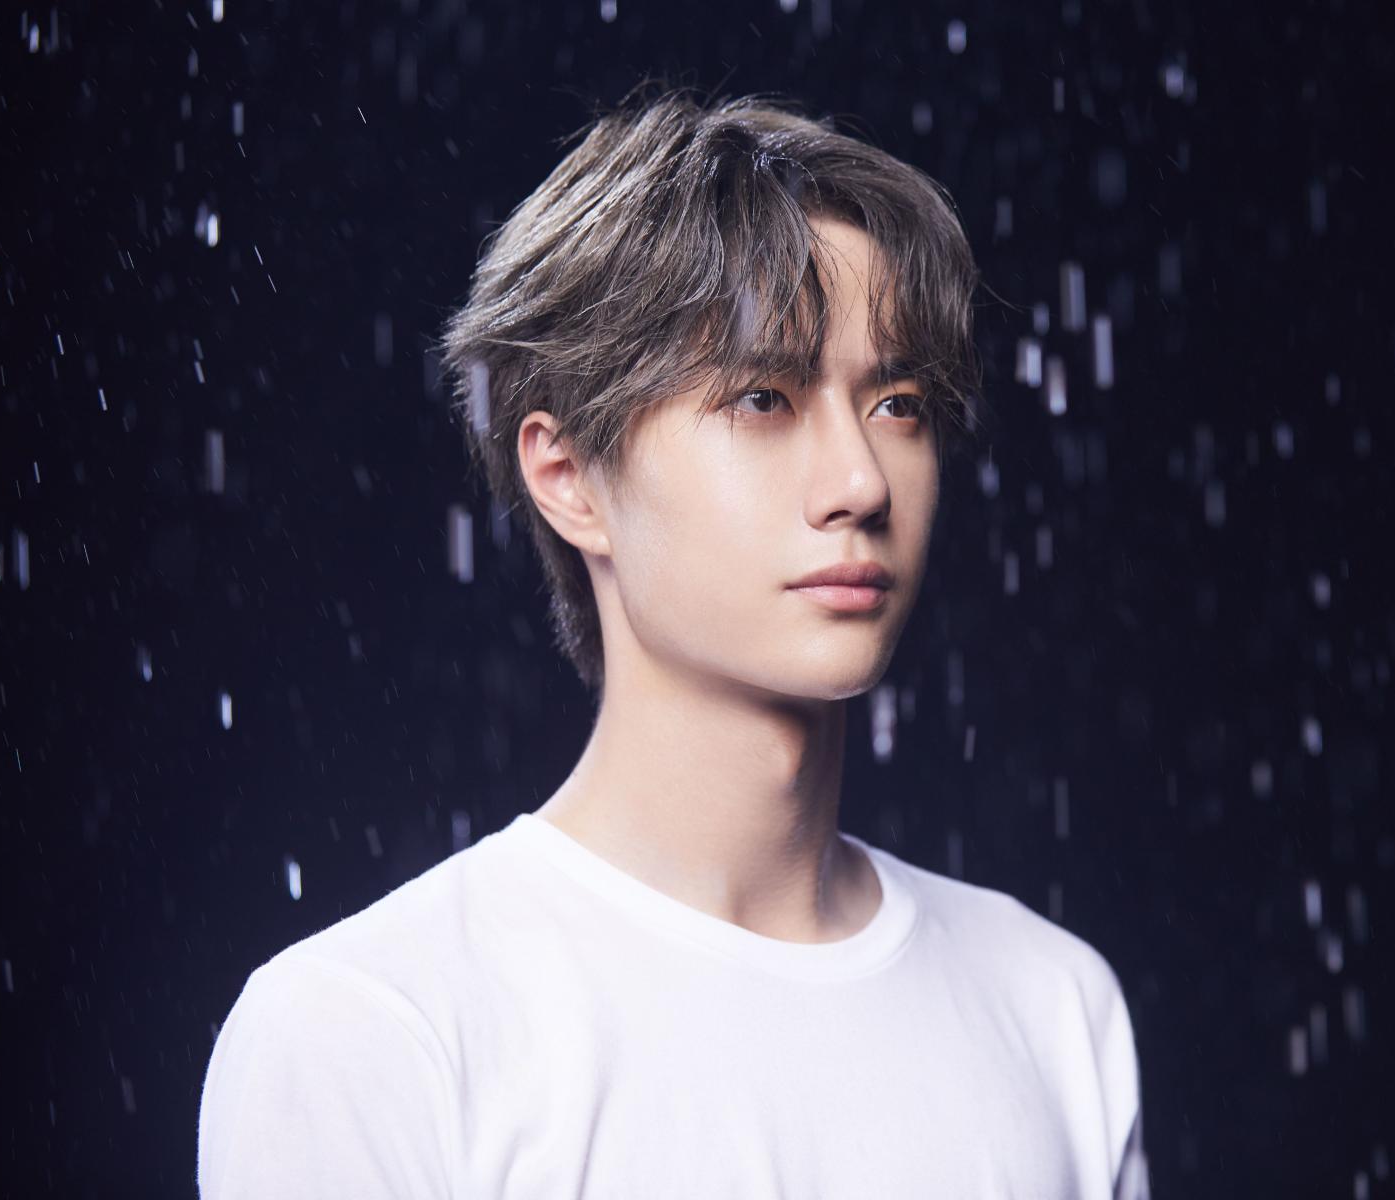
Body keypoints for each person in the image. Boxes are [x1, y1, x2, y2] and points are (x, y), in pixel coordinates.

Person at [196, 81, 1150, 1199]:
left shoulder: (1051, 1006)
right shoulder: (374, 1031)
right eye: (763, 398)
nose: (860, 482)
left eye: (897, 404)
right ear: (568, 476)